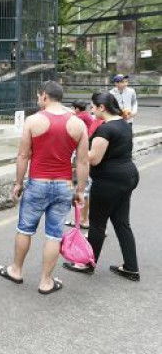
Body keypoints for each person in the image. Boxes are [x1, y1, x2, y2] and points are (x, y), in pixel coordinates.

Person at [0, 81, 88, 295]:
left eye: (39, 96)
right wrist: (80, 190)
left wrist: (18, 183)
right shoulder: (78, 124)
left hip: (37, 183)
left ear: (44, 95)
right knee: (54, 234)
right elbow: (83, 161)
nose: (38, 100)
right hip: (64, 184)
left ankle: (16, 270)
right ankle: (46, 281)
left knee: (25, 229)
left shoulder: (33, 121)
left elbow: (23, 155)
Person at [62, 92, 140, 281]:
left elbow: (94, 159)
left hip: (109, 181)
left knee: (97, 224)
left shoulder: (106, 129)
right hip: (128, 176)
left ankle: (87, 263)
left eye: (93, 107)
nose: (92, 111)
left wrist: (79, 150)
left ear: (102, 107)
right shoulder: (123, 124)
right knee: (122, 222)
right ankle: (131, 268)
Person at [64, 101, 98, 230]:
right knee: (83, 190)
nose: (92, 110)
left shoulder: (81, 117)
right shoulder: (88, 116)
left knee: (82, 190)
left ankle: (83, 220)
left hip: (83, 152)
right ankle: (82, 219)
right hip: (85, 151)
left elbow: (68, 117)